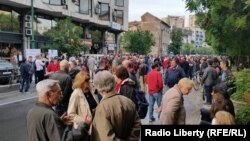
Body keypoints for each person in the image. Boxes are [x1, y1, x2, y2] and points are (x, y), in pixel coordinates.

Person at [26, 79, 91, 141]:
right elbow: (65, 139)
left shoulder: (32, 111)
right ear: (48, 94)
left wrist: (58, 122)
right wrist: (84, 126)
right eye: (59, 92)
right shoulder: (49, 115)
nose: (61, 95)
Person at [91, 71, 141, 141]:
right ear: (114, 83)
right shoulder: (128, 101)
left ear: (98, 87)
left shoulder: (102, 108)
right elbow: (137, 124)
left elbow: (107, 138)